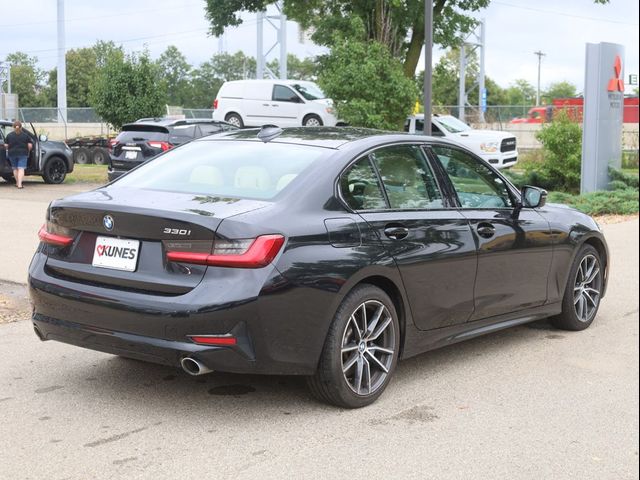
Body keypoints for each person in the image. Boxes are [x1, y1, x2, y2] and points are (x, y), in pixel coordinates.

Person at [3, 120, 33, 189]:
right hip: (23, 153)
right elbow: (30, 145)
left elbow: (6, 145)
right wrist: (28, 150)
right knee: (21, 169)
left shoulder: (9, 135)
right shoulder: (25, 135)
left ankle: (17, 183)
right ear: (21, 127)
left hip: (12, 153)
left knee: (15, 169)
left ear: (13, 127)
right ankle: (19, 184)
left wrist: (6, 147)